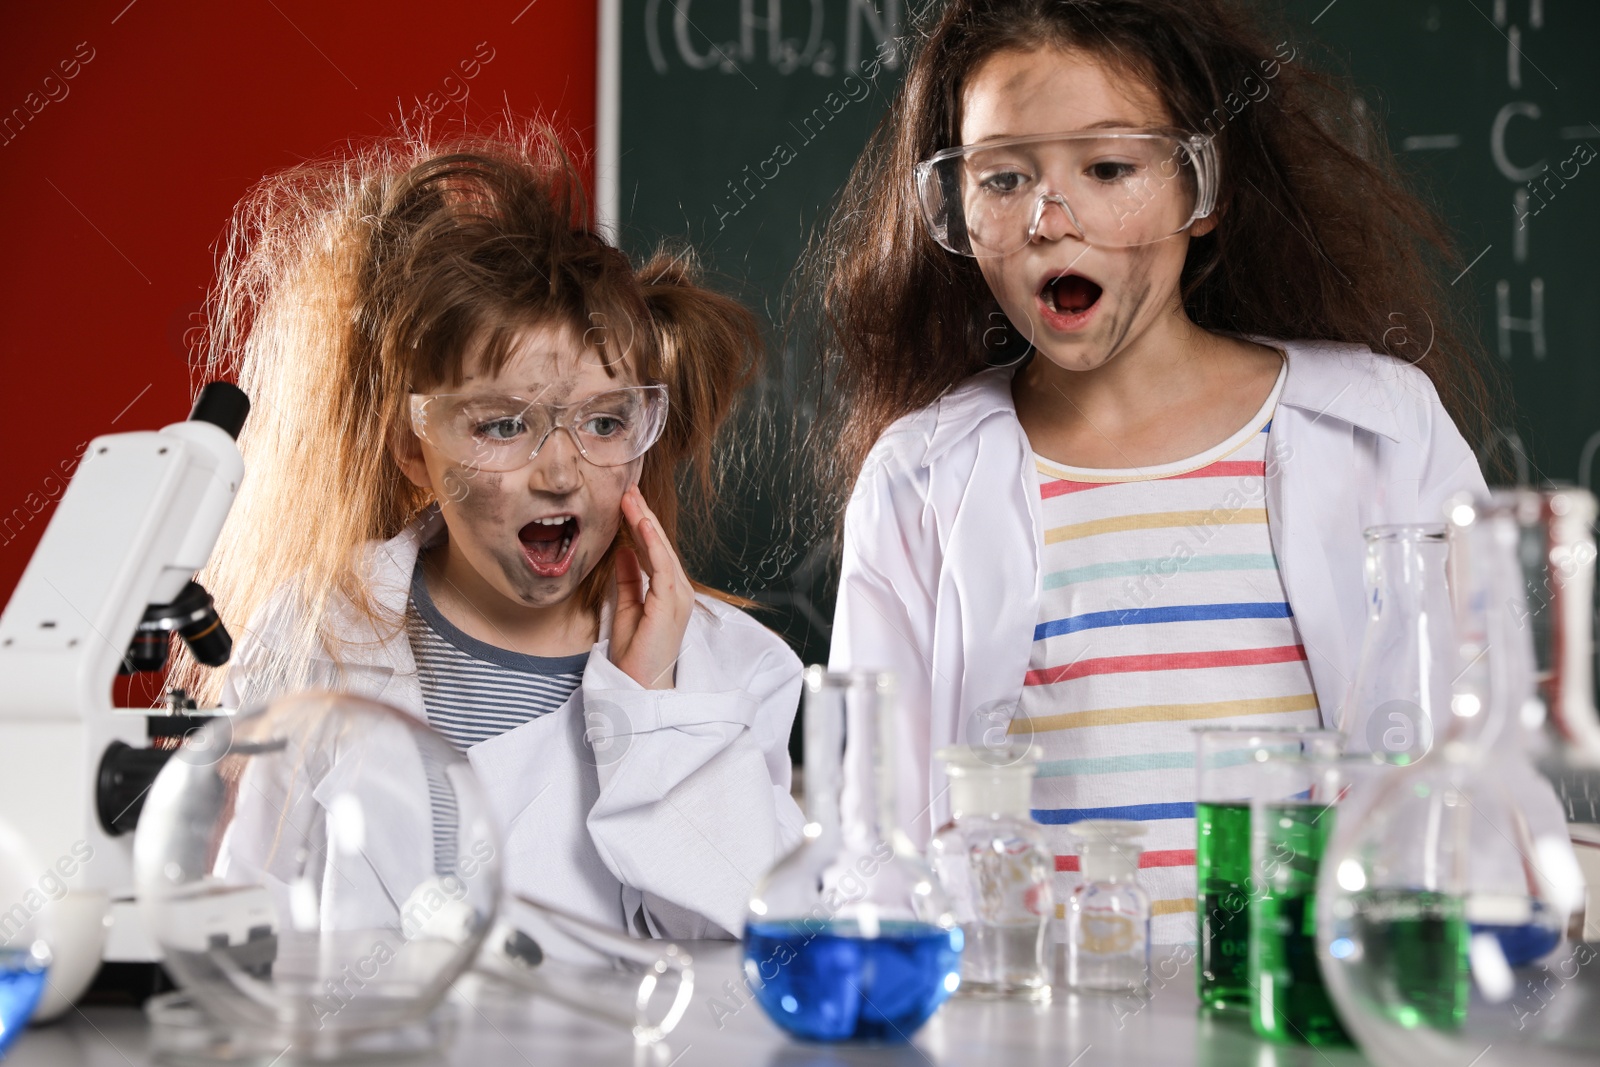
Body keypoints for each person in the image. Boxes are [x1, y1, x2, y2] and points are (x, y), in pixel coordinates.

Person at [815, 0, 1500, 943]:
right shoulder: (917, 480)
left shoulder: (1381, 429)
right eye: (1003, 178)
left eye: (1108, 168)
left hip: (1299, 1019)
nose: (1052, 222)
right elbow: (874, 837)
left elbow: (1476, 761)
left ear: (1202, 188)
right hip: (1035, 1028)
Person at [177, 129, 804, 939]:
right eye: (504, 424)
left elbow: (765, 940)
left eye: (606, 421)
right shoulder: (313, 632)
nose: (560, 471)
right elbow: (241, 924)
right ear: (414, 447)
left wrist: (652, 715)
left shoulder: (730, 672)